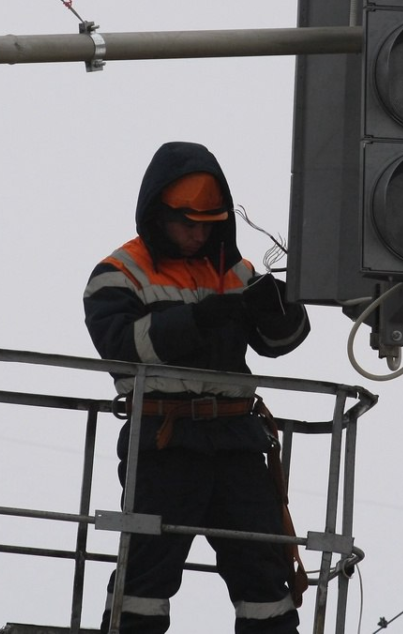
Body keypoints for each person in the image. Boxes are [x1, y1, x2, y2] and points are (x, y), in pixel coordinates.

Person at [83, 141, 311, 634]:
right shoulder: (119, 274)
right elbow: (123, 348)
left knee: (264, 569)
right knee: (146, 572)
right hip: (164, 441)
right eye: (187, 224)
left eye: (207, 224)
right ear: (157, 216)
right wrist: (199, 319)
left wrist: (286, 310)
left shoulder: (235, 269)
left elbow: (278, 343)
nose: (197, 235)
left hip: (236, 442)